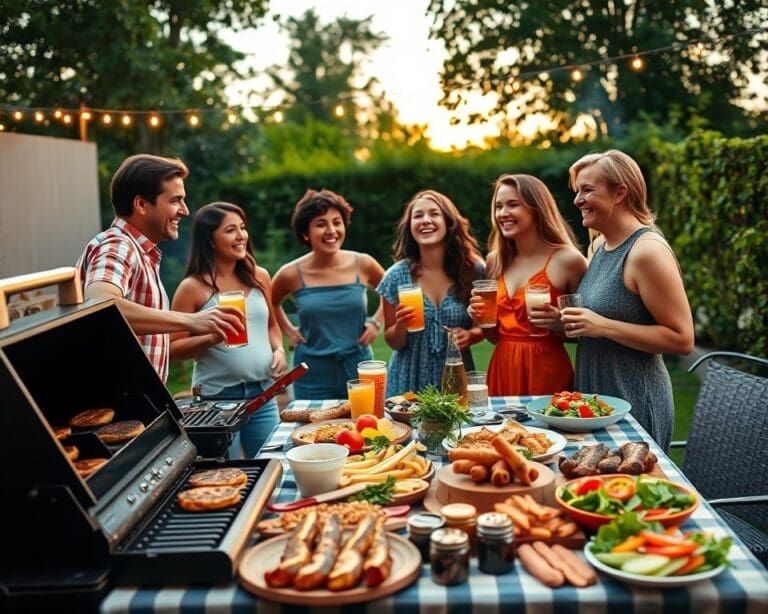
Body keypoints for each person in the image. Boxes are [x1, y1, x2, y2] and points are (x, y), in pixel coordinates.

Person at [562, 150, 694, 451]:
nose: (577, 200)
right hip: (594, 402)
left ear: (619, 192)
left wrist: (603, 326)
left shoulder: (646, 252)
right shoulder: (598, 246)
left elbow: (682, 339)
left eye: (587, 190)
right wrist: (565, 324)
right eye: (577, 191)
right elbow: (599, 322)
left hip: (634, 401)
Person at [77, 154, 242, 382]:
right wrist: (192, 320)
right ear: (141, 204)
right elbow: (100, 305)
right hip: (120, 405)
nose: (184, 210)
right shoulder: (118, 244)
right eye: (175, 200)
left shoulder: (140, 251)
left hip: (136, 401)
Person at [169, 202, 286, 458]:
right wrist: (213, 337)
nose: (241, 235)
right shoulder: (193, 287)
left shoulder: (259, 276)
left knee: (272, 462)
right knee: (224, 470)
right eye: (230, 230)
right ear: (210, 240)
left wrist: (278, 350)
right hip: (217, 398)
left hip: (263, 392)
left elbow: (272, 326)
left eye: (243, 228)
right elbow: (173, 349)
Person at [468, 174, 587, 396]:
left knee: (548, 431)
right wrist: (481, 318)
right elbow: (495, 337)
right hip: (502, 368)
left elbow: (590, 335)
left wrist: (560, 324)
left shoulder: (568, 260)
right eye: (498, 206)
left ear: (536, 208)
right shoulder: (496, 259)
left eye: (513, 205)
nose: (503, 214)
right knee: (501, 431)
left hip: (547, 372)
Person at [271, 189, 385, 400]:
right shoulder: (291, 273)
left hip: (359, 370)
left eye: (337, 222)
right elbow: (271, 303)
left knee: (366, 429)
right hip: (311, 374)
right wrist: (289, 330)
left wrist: (377, 322)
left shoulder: (364, 263)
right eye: (321, 224)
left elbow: (392, 292)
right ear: (306, 233)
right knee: (310, 431)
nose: (331, 230)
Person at [377, 189, 484, 396]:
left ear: (448, 222)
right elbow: (393, 341)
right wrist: (401, 326)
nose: (425, 220)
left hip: (455, 378)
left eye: (434, 214)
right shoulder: (395, 277)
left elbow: (485, 327)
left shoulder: (474, 271)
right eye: (418, 216)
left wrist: (471, 335)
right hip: (407, 383)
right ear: (410, 227)